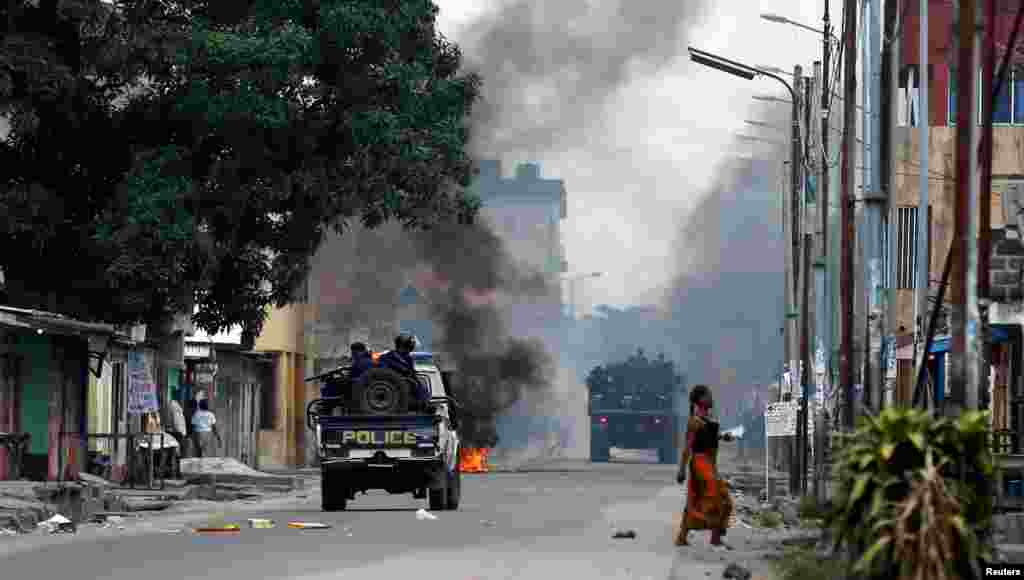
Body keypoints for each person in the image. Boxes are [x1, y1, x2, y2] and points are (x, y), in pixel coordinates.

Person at [675, 384, 736, 550]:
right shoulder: (694, 421)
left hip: (710, 463)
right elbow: (688, 447)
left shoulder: (707, 418)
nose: (711, 398)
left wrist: (723, 437)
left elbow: (709, 437)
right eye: (708, 395)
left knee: (723, 500)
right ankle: (703, 526)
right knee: (712, 497)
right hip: (700, 463)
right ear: (700, 400)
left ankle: (706, 537)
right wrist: (681, 469)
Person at [377, 333, 430, 404]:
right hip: (390, 392)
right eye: (409, 347)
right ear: (403, 346)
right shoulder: (386, 358)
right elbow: (381, 374)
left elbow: (413, 375)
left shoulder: (408, 358)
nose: (410, 349)